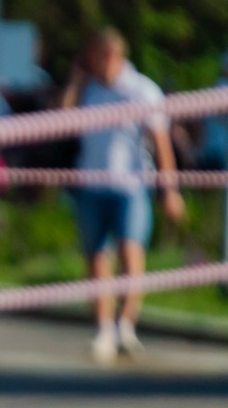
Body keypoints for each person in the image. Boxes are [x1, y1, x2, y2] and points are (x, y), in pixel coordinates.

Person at [63, 27, 183, 363]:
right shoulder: (88, 90)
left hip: (130, 186)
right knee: (96, 258)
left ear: (111, 55)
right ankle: (102, 328)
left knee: (131, 254)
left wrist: (169, 189)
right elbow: (62, 120)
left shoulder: (141, 90)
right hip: (91, 185)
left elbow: (161, 143)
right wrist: (75, 81)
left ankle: (125, 326)